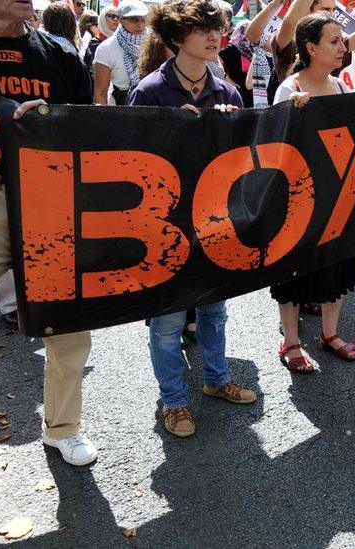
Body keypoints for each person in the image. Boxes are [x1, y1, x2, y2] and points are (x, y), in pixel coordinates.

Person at [128, 0, 255, 438]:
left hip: (214, 220)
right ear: (177, 38)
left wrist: (231, 127)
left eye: (216, 28)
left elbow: (243, 158)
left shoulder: (228, 92)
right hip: (164, 225)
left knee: (214, 308)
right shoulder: (149, 92)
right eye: (202, 30)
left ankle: (216, 380)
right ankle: (174, 402)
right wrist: (172, 130)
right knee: (166, 319)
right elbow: (131, 164)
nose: (214, 36)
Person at [0, 0, 97, 466]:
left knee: (67, 316)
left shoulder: (60, 52)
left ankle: (63, 427)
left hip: (48, 195)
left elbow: (85, 123)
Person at [270, 13, 355, 372]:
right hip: (298, 199)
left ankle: (329, 333)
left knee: (336, 265)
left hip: (336, 195)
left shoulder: (342, 87)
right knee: (293, 271)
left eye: (342, 40)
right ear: (311, 48)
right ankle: (291, 341)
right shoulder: (289, 89)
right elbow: (274, 147)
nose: (344, 47)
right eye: (335, 41)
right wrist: (291, 117)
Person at [269, 0, 355, 91]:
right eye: (326, 9)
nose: (332, 15)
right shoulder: (287, 44)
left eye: (333, 10)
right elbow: (290, 22)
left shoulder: (340, 45)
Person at [93, 0, 148, 105]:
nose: (140, 24)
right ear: (121, 20)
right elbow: (100, 93)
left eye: (143, 19)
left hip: (152, 110)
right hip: (120, 112)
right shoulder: (106, 48)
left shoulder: (154, 42)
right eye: (134, 19)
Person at [219, 20, 254, 106]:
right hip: (237, 93)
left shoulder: (253, 48)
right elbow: (215, 58)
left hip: (252, 93)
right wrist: (226, 78)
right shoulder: (232, 48)